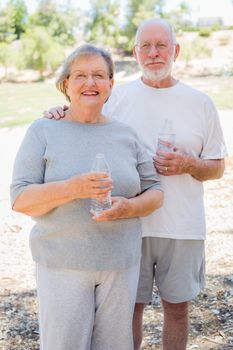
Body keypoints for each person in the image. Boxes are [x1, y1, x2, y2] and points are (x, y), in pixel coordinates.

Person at [44, 19, 227, 350]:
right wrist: (60, 111)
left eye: (162, 45)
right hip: (128, 224)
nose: (154, 53)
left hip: (182, 227)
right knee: (127, 313)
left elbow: (216, 168)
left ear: (176, 50)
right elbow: (83, 115)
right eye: (146, 46)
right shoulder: (117, 96)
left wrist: (190, 164)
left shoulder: (200, 102)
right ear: (136, 52)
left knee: (177, 311)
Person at [10, 44, 163, 350]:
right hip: (61, 264)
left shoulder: (126, 134)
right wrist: (72, 189)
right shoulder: (43, 130)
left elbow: (156, 191)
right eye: (80, 75)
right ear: (66, 84)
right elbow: (20, 199)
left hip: (120, 263)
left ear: (110, 85)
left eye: (98, 75)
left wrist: (128, 208)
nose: (89, 83)